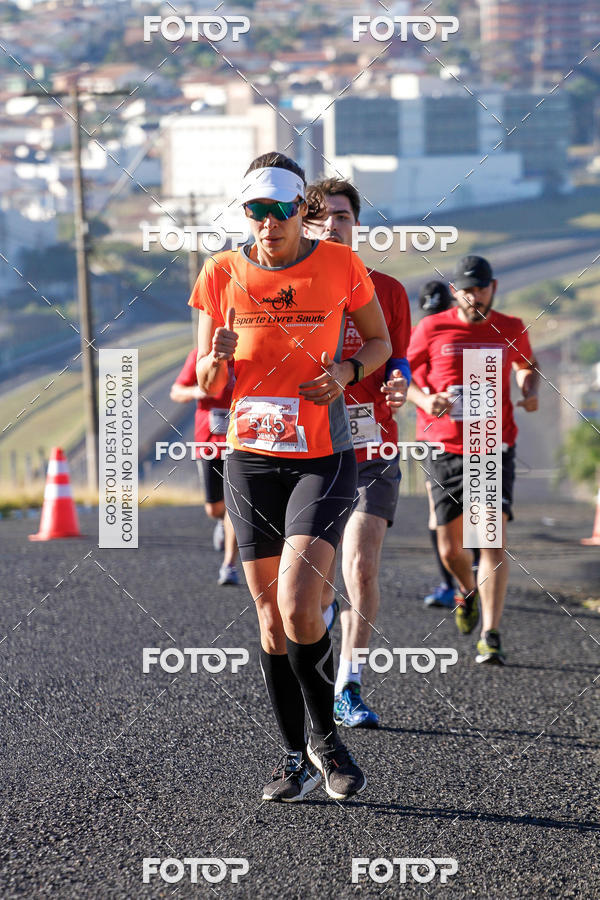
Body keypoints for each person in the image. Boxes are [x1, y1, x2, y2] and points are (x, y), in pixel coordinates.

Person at [190, 152, 392, 801]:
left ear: (301, 211)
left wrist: (349, 374)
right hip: (249, 456)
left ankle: (328, 738)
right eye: (257, 211)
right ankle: (294, 756)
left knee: (302, 603)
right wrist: (214, 361)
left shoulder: (338, 265)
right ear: (244, 212)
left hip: (322, 453)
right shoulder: (221, 272)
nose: (268, 223)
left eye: (281, 211)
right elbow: (206, 381)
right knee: (271, 618)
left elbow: (380, 343)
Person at [302, 177, 411, 729]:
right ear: (305, 225)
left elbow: (400, 357)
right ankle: (313, 663)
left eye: (340, 217)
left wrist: (399, 382)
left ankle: (349, 684)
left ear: (356, 224)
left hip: (373, 447)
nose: (330, 226)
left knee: (361, 566)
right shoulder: (293, 289)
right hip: (313, 450)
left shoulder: (387, 289)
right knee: (317, 582)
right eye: (319, 219)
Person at [405, 255, 539, 664]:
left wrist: (528, 388)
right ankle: (466, 591)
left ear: (492, 287)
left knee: (489, 542)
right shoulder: (431, 327)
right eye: (467, 288)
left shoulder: (511, 326)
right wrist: (427, 399)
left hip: (490, 446)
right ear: (455, 291)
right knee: (450, 550)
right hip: (443, 446)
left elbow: (525, 365)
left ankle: (491, 634)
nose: (474, 295)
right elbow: (402, 374)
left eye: (481, 287)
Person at [170, 351, 239, 585]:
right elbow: (176, 391)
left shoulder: (248, 354)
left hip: (241, 441)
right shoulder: (200, 356)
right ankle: (221, 522)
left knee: (234, 506)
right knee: (214, 508)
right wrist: (198, 391)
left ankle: (229, 566)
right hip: (209, 440)